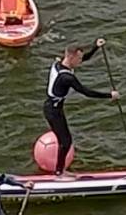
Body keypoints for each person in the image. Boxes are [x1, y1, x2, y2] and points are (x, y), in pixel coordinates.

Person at [43, 39, 113, 174]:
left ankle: (60, 170)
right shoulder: (66, 78)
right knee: (66, 142)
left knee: (65, 140)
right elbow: (86, 92)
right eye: (79, 58)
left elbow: (85, 58)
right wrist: (109, 95)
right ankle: (59, 173)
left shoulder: (60, 63)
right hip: (53, 111)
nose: (81, 61)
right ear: (70, 57)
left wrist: (95, 47)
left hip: (54, 108)